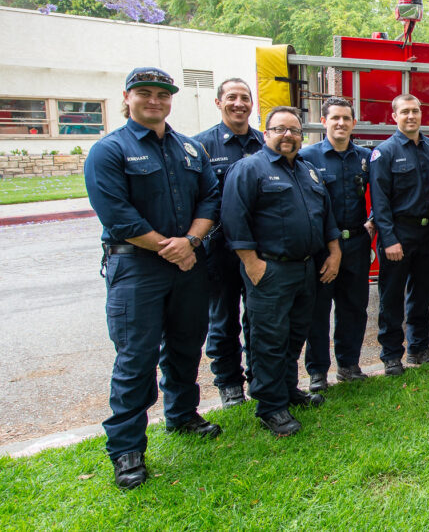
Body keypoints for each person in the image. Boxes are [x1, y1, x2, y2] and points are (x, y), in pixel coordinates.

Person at [84, 67, 222, 490]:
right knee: (135, 359)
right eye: (144, 93)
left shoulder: (190, 150)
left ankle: (181, 416)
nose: (154, 100)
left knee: (185, 346)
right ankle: (126, 449)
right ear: (126, 97)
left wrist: (192, 242)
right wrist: (172, 246)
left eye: (162, 94)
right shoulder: (109, 151)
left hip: (188, 264)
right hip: (137, 268)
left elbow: (211, 197)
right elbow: (118, 215)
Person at [222, 106, 341, 436]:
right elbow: (234, 220)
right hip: (270, 270)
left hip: (305, 269)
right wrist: (252, 263)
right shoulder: (248, 169)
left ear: (302, 137)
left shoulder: (308, 171)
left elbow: (326, 216)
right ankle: (271, 407)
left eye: (294, 130)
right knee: (268, 340)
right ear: (266, 133)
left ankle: (288, 391)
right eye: (280, 129)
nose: (288, 135)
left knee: (293, 336)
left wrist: (333, 252)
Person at [193, 78, 264, 408]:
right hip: (218, 250)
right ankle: (229, 384)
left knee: (259, 317)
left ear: (252, 104)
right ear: (218, 102)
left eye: (245, 98)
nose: (239, 103)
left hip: (259, 247)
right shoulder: (200, 146)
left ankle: (259, 378)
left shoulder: (265, 142)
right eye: (232, 97)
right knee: (223, 320)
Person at [300, 97, 373, 391]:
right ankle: (318, 372)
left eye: (346, 118)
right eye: (335, 118)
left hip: (356, 242)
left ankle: (349, 365)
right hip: (322, 248)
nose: (341, 123)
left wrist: (373, 222)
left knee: (354, 307)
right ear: (324, 121)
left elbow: (381, 194)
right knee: (318, 310)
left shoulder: (366, 157)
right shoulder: (307, 158)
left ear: (353, 123)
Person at [370, 93, 429, 376]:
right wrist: (389, 239)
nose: (411, 116)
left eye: (415, 111)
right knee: (391, 297)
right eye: (405, 112)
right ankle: (391, 354)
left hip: (427, 233)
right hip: (398, 232)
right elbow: (380, 201)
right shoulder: (384, 152)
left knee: (423, 294)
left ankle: (419, 348)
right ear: (394, 117)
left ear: (421, 114)